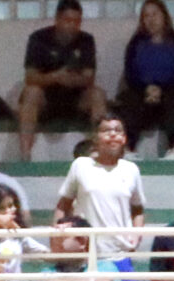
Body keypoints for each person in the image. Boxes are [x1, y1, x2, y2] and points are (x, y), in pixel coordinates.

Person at [54, 115, 147, 281]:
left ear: (124, 139)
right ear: (96, 138)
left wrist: (136, 234)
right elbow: (63, 205)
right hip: (86, 253)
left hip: (119, 252)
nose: (112, 135)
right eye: (106, 130)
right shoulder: (80, 165)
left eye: (117, 130)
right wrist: (58, 237)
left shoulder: (131, 170)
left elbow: (137, 209)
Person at [18, 0, 106, 161]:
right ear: (57, 19)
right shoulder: (39, 39)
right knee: (30, 93)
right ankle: (24, 156)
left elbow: (89, 77)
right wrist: (55, 77)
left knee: (98, 94)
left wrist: (72, 79)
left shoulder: (86, 40)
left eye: (76, 21)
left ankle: (100, 154)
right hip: (47, 98)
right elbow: (30, 77)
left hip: (75, 98)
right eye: (67, 20)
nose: (72, 26)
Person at [118, 0, 174, 157]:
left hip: (170, 91)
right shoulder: (135, 44)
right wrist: (147, 89)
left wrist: (160, 89)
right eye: (146, 16)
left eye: (155, 15)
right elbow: (130, 74)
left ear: (164, 17)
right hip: (142, 92)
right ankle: (129, 149)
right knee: (129, 99)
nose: (151, 19)